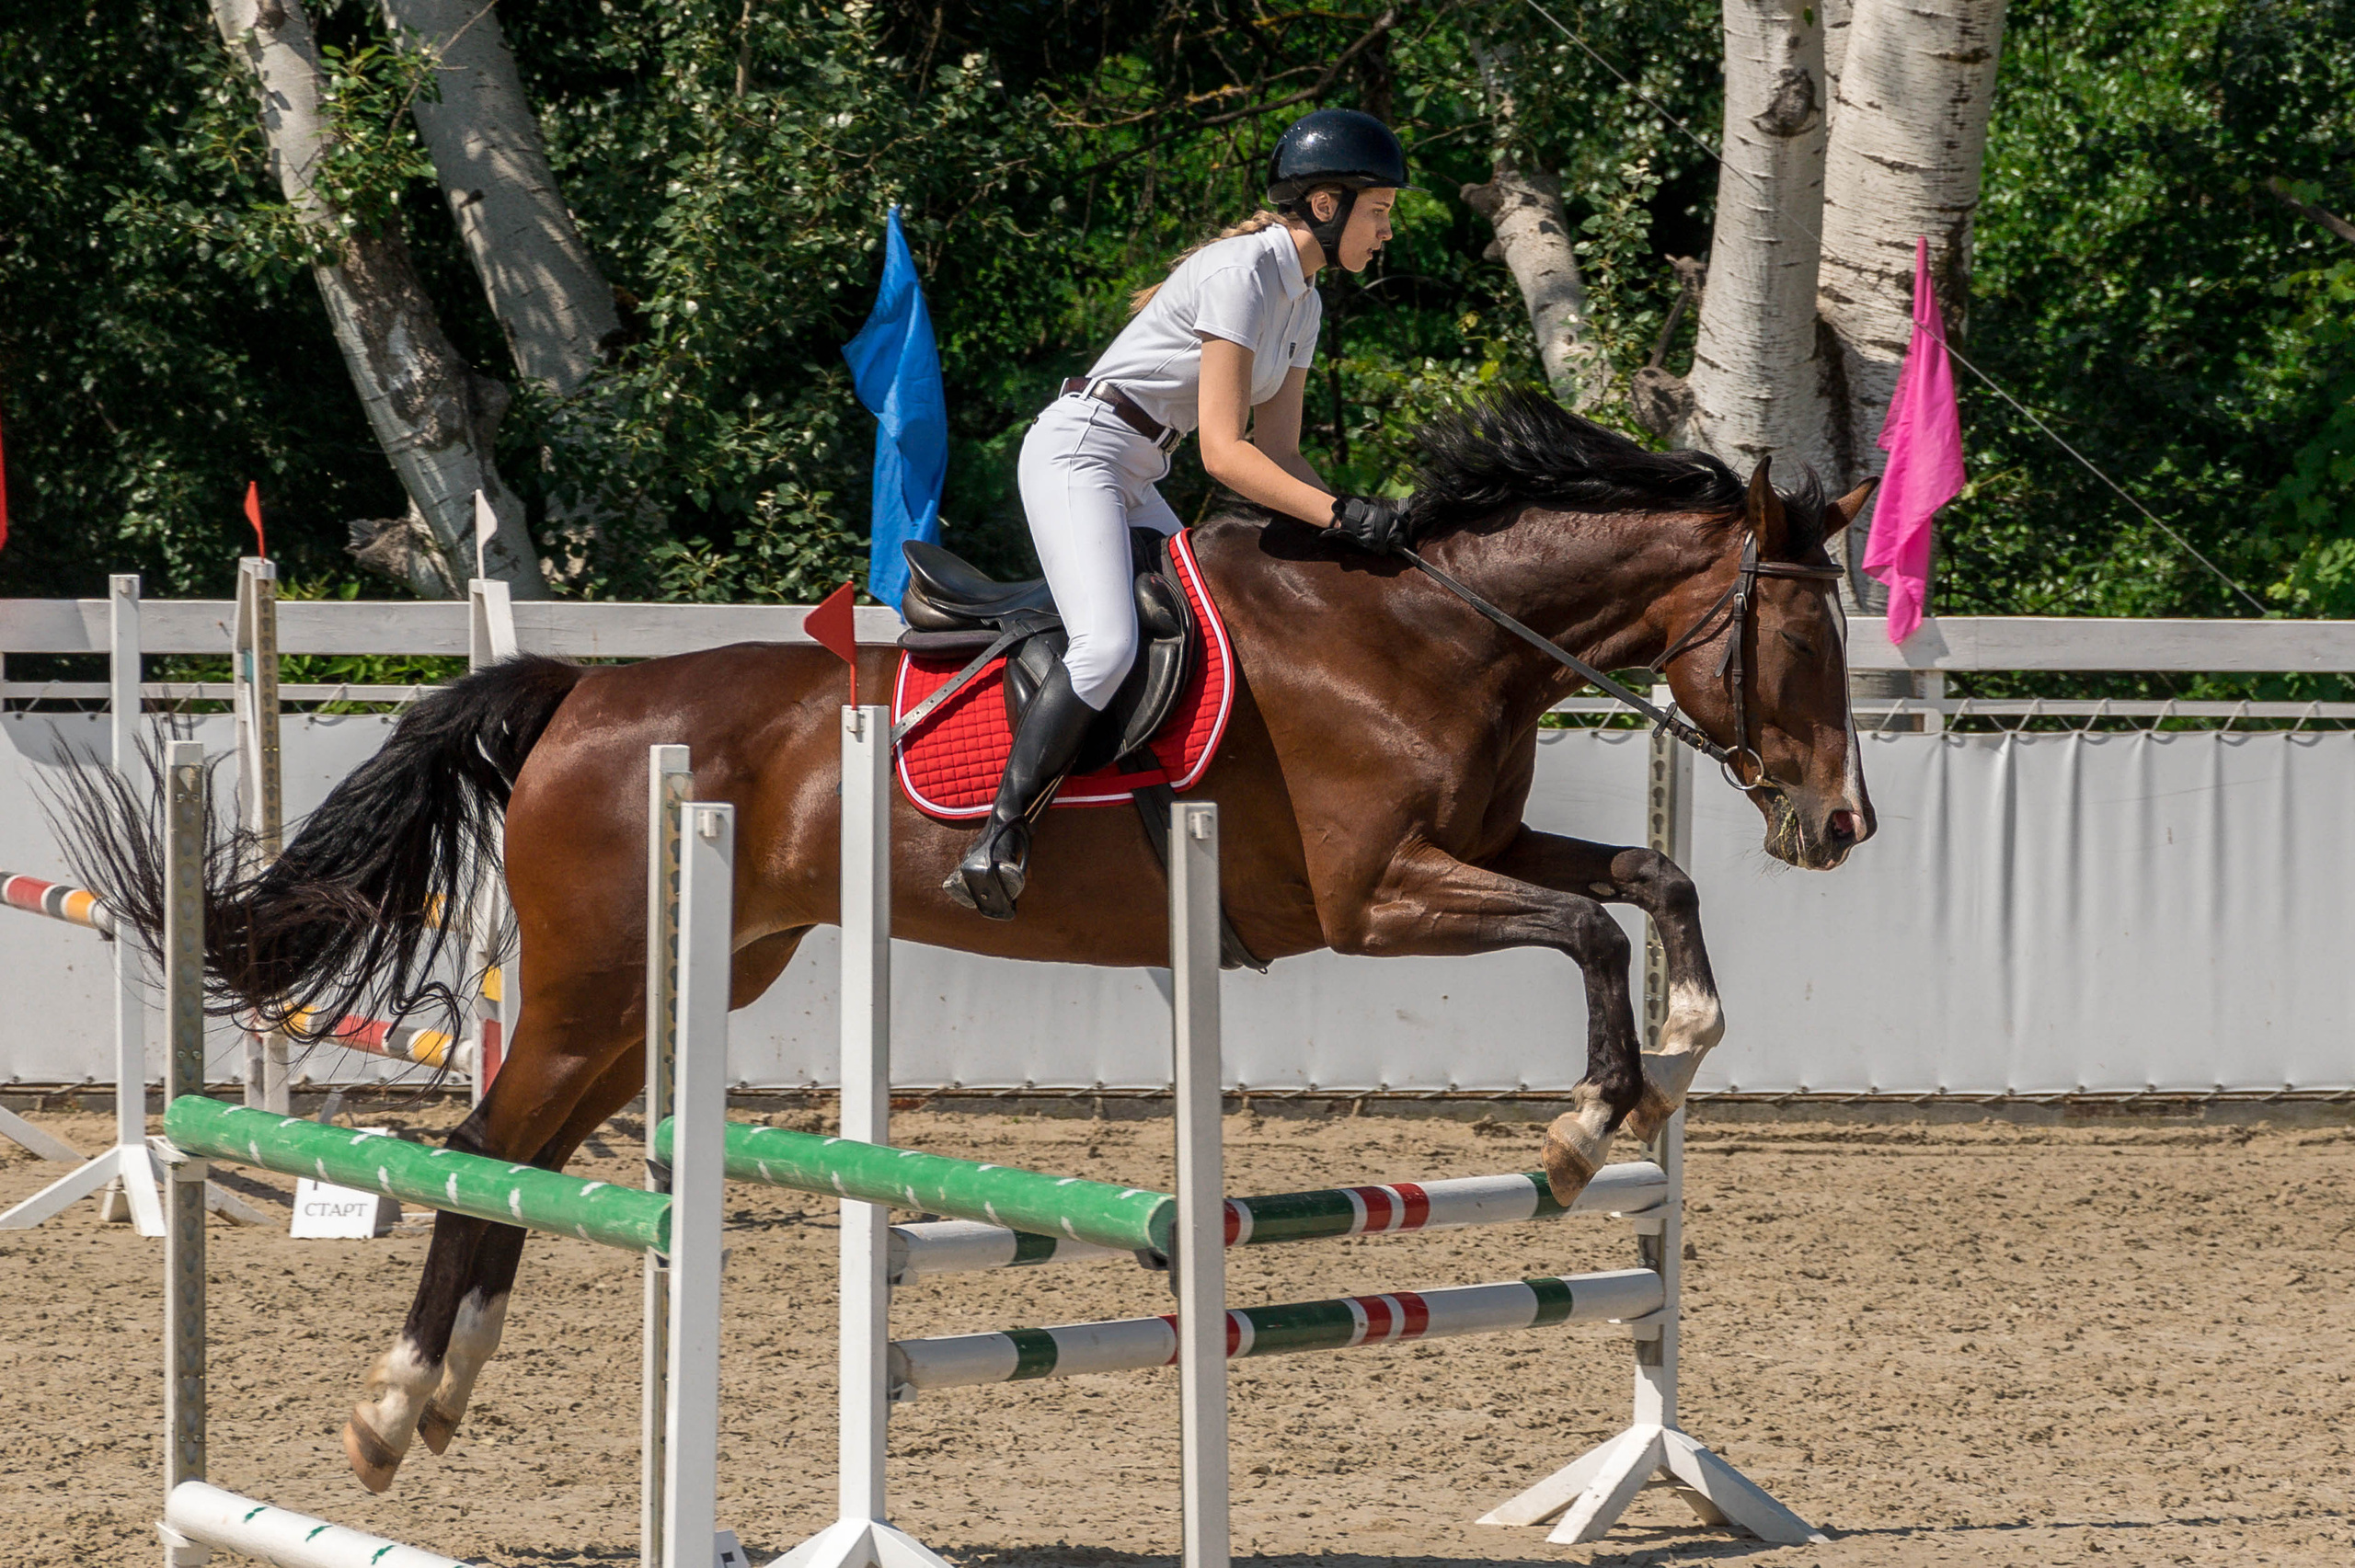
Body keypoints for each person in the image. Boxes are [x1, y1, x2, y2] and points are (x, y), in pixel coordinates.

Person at [947, 107, 1416, 920]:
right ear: (1325, 205)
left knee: (1217, 631)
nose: (1385, 233)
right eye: (1378, 213)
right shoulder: (1244, 272)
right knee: (1108, 644)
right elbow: (1227, 457)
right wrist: (1339, 517)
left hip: (1137, 464)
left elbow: (1284, 454)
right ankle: (1000, 832)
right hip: (1080, 450)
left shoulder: (1303, 301)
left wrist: (1366, 520)